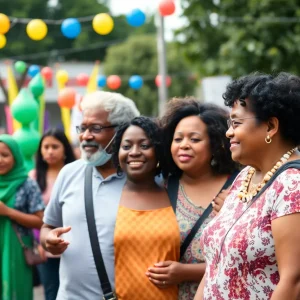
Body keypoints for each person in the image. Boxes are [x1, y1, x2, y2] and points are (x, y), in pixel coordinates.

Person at [195, 73, 300, 300]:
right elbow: (215, 265)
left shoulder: (292, 185)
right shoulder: (245, 176)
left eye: (236, 123)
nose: (228, 132)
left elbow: (293, 282)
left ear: (271, 126)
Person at [40, 91, 140, 300]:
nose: (85, 136)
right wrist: (48, 239)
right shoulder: (68, 173)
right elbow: (47, 226)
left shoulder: (148, 180)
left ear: (122, 131)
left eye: (95, 128)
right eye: (83, 128)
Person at [147, 99, 239, 299]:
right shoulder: (161, 187)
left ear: (215, 145)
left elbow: (245, 258)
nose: (184, 146)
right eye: (178, 139)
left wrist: (185, 272)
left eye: (195, 140)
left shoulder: (238, 188)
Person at [112, 116, 180, 299]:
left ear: (158, 151)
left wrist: (186, 272)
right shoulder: (107, 198)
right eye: (126, 146)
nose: (134, 152)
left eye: (144, 146)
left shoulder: (175, 194)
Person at [29, 128, 76, 300]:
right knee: (51, 291)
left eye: (55, 146)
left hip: (74, 244)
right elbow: (33, 214)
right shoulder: (33, 177)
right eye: (46, 147)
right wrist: (40, 242)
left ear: (65, 149)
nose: (49, 151)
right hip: (45, 246)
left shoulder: (76, 174)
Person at [0, 134, 45, 300]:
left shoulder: (27, 184)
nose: (0, 160)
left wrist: (8, 212)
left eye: (5, 155)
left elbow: (41, 221)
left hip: (17, 250)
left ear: (16, 157)